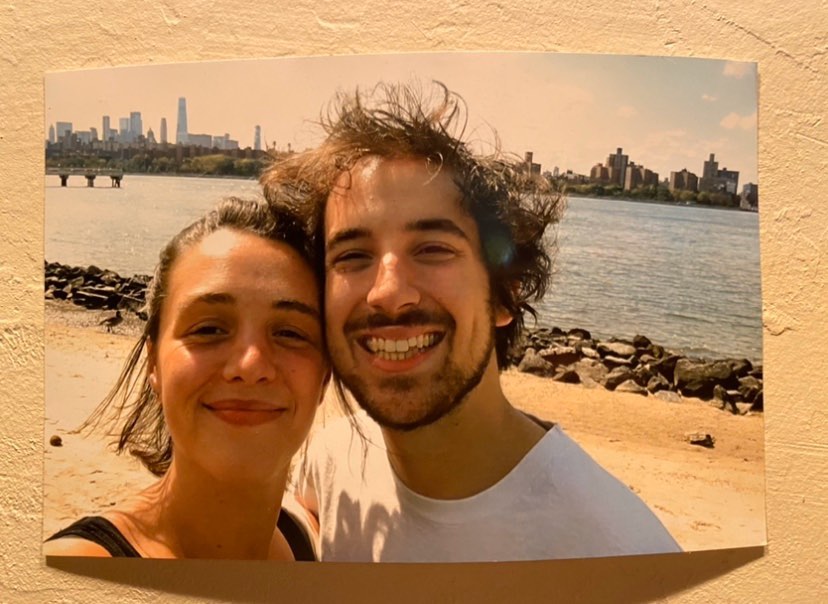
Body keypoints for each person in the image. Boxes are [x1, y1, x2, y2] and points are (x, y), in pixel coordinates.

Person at [261, 82, 681, 562]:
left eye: (433, 249)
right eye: (353, 255)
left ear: (504, 294)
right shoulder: (330, 461)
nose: (389, 293)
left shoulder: (621, 555)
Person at [44, 197, 329, 560]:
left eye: (290, 333)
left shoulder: (309, 539)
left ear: (325, 376)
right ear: (153, 363)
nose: (250, 365)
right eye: (209, 328)